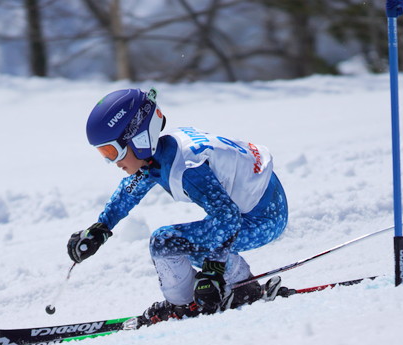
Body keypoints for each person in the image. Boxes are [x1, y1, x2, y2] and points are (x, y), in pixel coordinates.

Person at [67, 88, 289, 326]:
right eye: (104, 153)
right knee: (188, 240)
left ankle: (194, 303)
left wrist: (212, 271)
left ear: (139, 138)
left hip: (263, 218)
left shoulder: (188, 169)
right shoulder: (161, 153)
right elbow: (128, 192)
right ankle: (237, 288)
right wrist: (101, 227)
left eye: (112, 151)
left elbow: (228, 219)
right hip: (262, 203)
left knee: (166, 242)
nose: (112, 162)